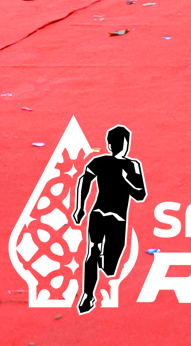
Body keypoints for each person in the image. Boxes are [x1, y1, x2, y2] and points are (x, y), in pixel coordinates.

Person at [70, 124, 147, 315]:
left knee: (108, 266)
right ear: (111, 144)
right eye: (118, 142)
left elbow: (140, 194)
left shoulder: (130, 165)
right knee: (93, 251)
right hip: (103, 214)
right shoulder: (103, 162)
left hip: (112, 217)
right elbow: (84, 180)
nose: (121, 146)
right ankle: (88, 295)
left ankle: (101, 265)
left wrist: (124, 181)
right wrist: (80, 207)